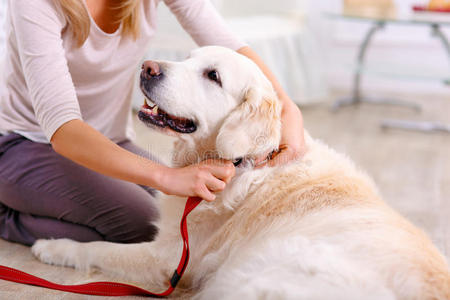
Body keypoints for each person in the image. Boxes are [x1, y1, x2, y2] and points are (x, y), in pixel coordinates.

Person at [0, 0, 306, 246]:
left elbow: (228, 44)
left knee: (178, 221)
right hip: (23, 144)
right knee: (146, 225)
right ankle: (6, 216)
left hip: (110, 141)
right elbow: (63, 129)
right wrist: (166, 177)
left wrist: (287, 109)